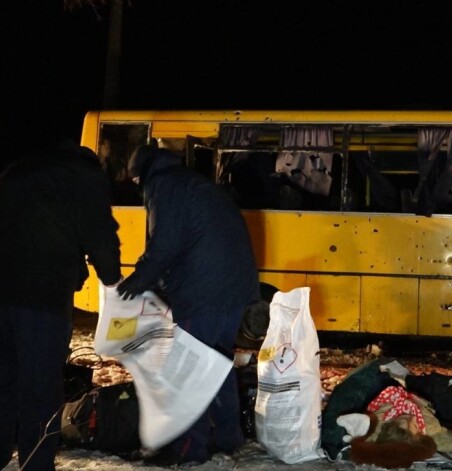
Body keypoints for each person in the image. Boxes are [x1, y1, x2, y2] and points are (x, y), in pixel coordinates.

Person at [116, 144, 260, 466]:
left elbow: (164, 244)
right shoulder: (191, 182)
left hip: (204, 291)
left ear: (144, 172)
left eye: (137, 180)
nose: (138, 187)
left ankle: (187, 450)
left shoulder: (164, 187)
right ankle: (228, 439)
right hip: (234, 288)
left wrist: (137, 282)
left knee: (189, 370)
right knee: (216, 363)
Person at [0, 139, 122, 471]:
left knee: (4, 379)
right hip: (43, 297)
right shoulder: (84, 176)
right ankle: (36, 463)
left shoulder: (18, 170)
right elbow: (100, 231)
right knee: (40, 386)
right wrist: (112, 279)